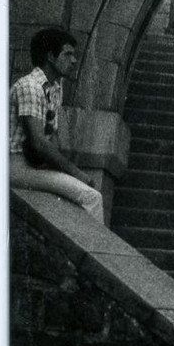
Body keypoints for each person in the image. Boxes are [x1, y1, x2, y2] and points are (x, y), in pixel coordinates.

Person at [9, 27, 104, 223]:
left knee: (79, 193)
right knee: (91, 197)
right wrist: (77, 174)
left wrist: (67, 172)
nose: (74, 60)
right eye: (68, 54)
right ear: (51, 57)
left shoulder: (54, 88)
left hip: (33, 165)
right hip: (14, 164)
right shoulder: (30, 86)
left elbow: (51, 138)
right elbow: (38, 142)